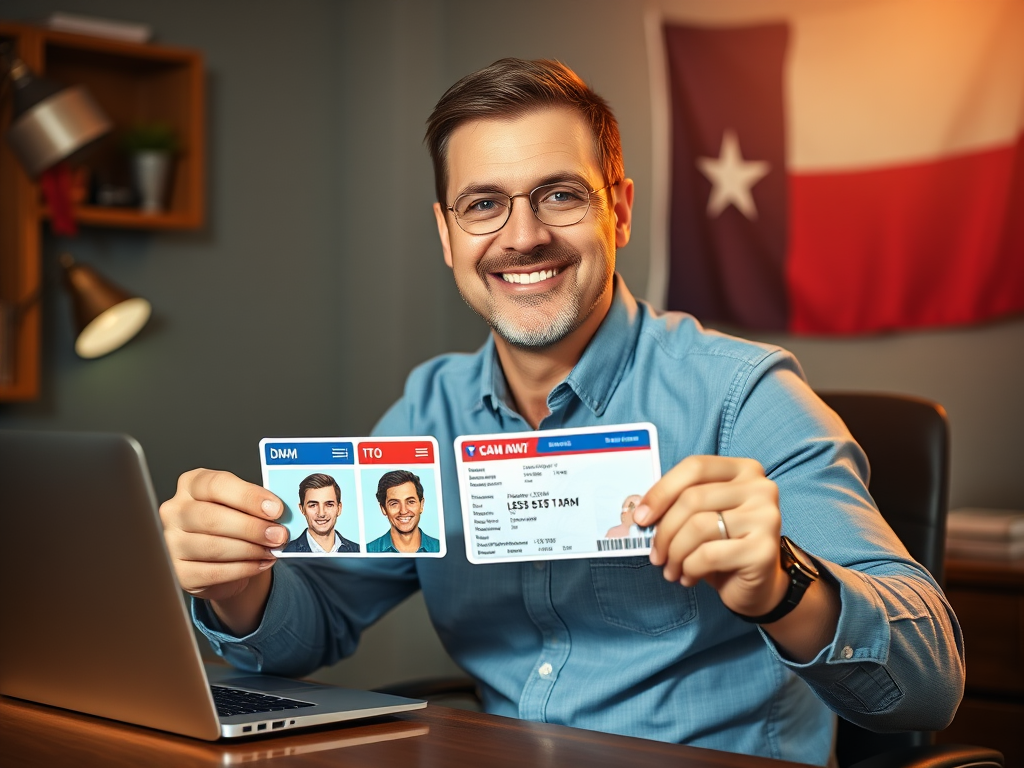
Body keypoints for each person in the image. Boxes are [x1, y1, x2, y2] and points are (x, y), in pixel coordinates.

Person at [159, 58, 963, 765]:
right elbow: (314, 625)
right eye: (483, 205)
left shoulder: (741, 394)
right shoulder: (430, 408)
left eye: (560, 195)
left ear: (619, 209)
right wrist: (238, 585)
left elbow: (929, 687)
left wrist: (787, 585)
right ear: (446, 235)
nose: (524, 236)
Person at [366, 470, 441, 553]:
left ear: (421, 505)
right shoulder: (368, 551)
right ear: (383, 509)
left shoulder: (440, 548)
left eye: (410, 502)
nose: (403, 511)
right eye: (394, 503)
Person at [281, 473, 359, 553]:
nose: (321, 514)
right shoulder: (286, 553)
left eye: (329, 505)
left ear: (339, 509)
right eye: (313, 505)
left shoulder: (358, 550)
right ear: (302, 509)